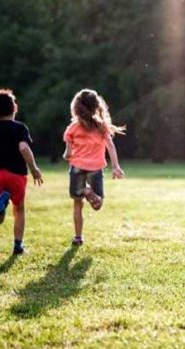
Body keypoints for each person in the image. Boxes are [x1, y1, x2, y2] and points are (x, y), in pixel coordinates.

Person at [0, 88, 43, 255]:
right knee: (19, 209)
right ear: (15, 108)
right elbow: (24, 148)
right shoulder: (20, 128)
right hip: (16, 175)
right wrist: (34, 169)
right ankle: (18, 245)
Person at [63, 89, 125, 246]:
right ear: (96, 106)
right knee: (98, 204)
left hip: (77, 167)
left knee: (78, 202)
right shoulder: (101, 126)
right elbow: (110, 145)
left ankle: (78, 236)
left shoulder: (72, 128)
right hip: (95, 168)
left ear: (76, 107)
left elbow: (68, 153)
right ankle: (89, 191)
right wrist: (116, 166)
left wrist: (67, 155)